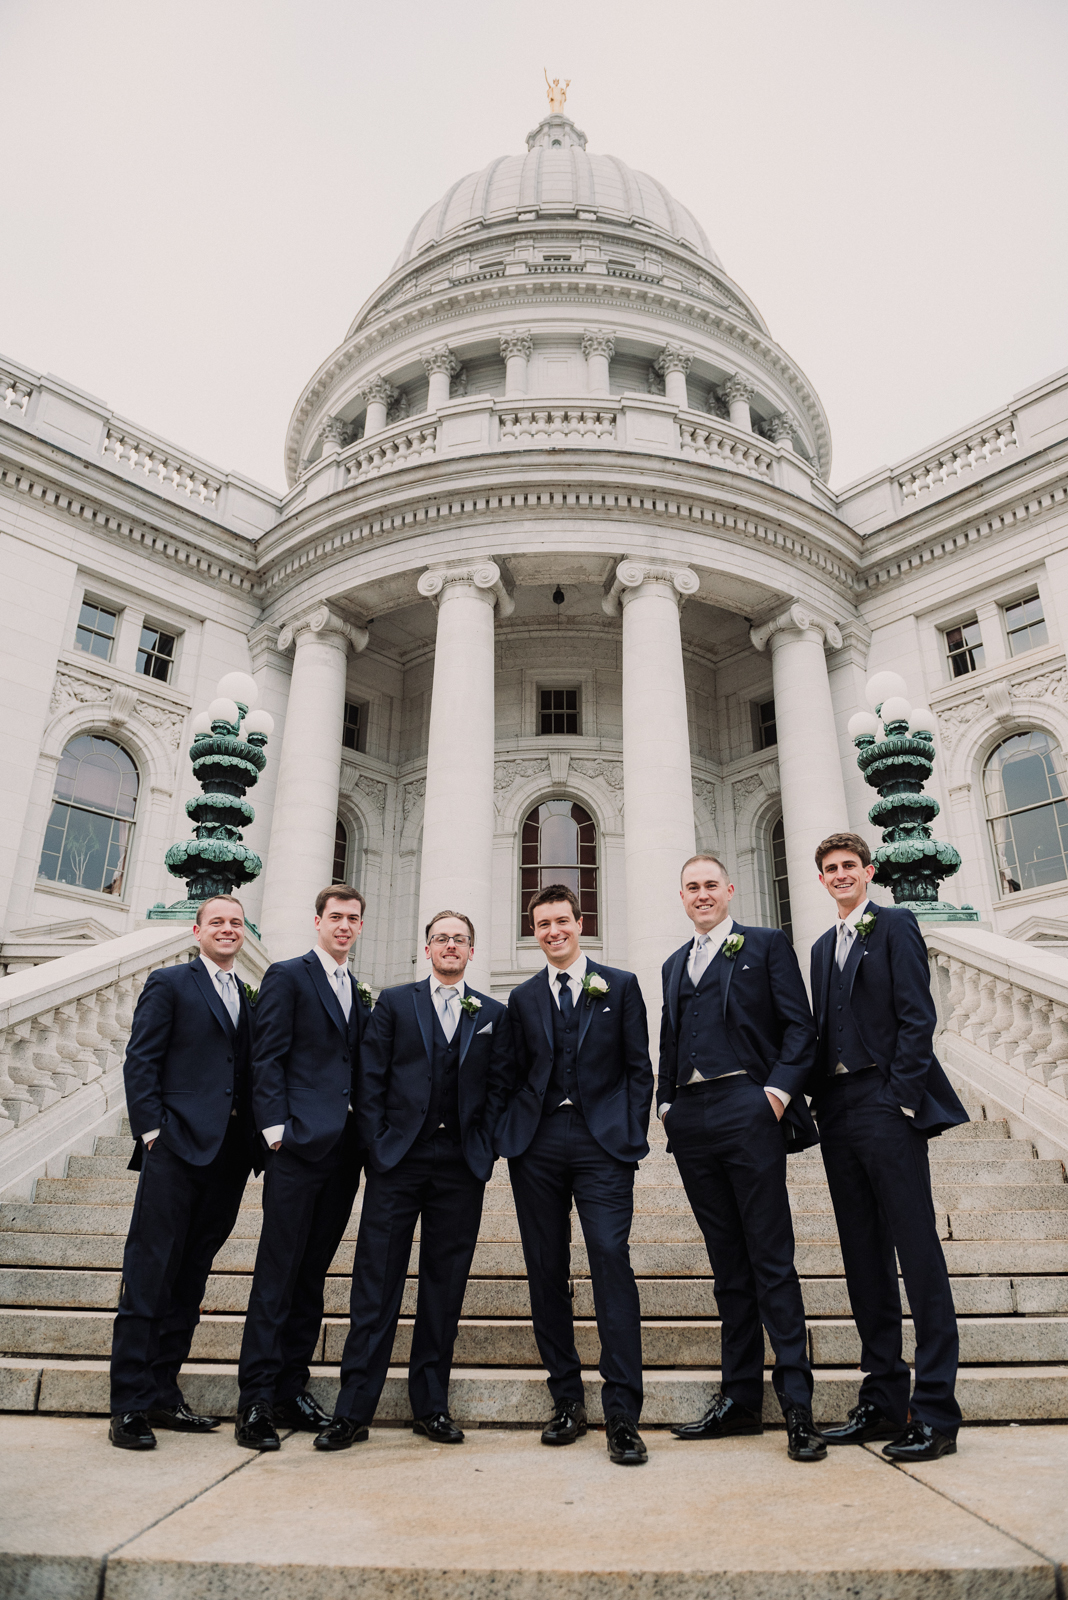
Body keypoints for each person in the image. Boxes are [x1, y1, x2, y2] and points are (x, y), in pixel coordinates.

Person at [315, 911, 509, 1451]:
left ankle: (431, 1408)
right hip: (397, 1164)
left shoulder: (494, 1013)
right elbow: (369, 1078)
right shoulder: (396, 1004)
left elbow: (500, 1088)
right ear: (428, 948)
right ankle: (352, 1412)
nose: (450, 946)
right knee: (374, 1287)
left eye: (460, 940)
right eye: (441, 938)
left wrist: (485, 1147)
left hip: (460, 1168)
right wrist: (378, 1147)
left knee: (443, 1290)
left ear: (472, 951)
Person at [659, 855, 825, 1463]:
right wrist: (665, 1104)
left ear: (729, 890)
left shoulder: (766, 944)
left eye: (710, 885)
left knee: (770, 1260)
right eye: (691, 887)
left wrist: (775, 1095)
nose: (702, 894)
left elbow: (799, 1028)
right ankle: (740, 1402)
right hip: (693, 1118)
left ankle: (797, 1409)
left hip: (748, 1105)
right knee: (727, 1264)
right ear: (681, 896)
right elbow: (671, 1039)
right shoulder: (673, 963)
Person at [811, 832, 967, 1461]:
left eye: (850, 866)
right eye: (830, 869)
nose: (841, 875)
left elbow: (916, 1015)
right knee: (863, 1257)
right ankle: (881, 1401)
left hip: (886, 1102)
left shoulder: (896, 925)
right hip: (839, 1112)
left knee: (918, 1253)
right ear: (820, 880)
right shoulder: (821, 947)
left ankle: (934, 1413)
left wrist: (901, 1096)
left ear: (869, 872)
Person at [494, 884, 652, 1466]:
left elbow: (640, 1067)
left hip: (602, 1143)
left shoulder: (622, 984)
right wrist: (508, 1134)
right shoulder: (524, 996)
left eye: (562, 921)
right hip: (535, 1145)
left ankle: (621, 1414)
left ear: (580, 922)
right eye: (543, 924)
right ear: (534, 931)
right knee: (545, 1269)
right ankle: (566, 1400)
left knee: (610, 1259)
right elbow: (508, 1072)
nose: (553, 931)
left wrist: (630, 1131)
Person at [109, 895, 260, 1449]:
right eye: (217, 921)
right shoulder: (170, 983)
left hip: (226, 1160)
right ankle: (128, 1405)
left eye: (235, 923)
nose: (227, 929)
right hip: (173, 1152)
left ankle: (163, 1393)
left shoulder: (246, 995)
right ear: (197, 930)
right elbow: (141, 1058)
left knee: (191, 1275)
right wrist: (152, 1131)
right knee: (149, 1275)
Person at [234, 884, 370, 1450]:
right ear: (317, 921)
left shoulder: (358, 993)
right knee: (277, 1274)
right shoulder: (289, 975)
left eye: (353, 919)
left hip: (343, 1155)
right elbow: (266, 1054)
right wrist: (273, 1130)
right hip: (295, 1147)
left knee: (312, 1275)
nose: (343, 926)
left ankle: (292, 1388)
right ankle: (256, 1402)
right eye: (335, 917)